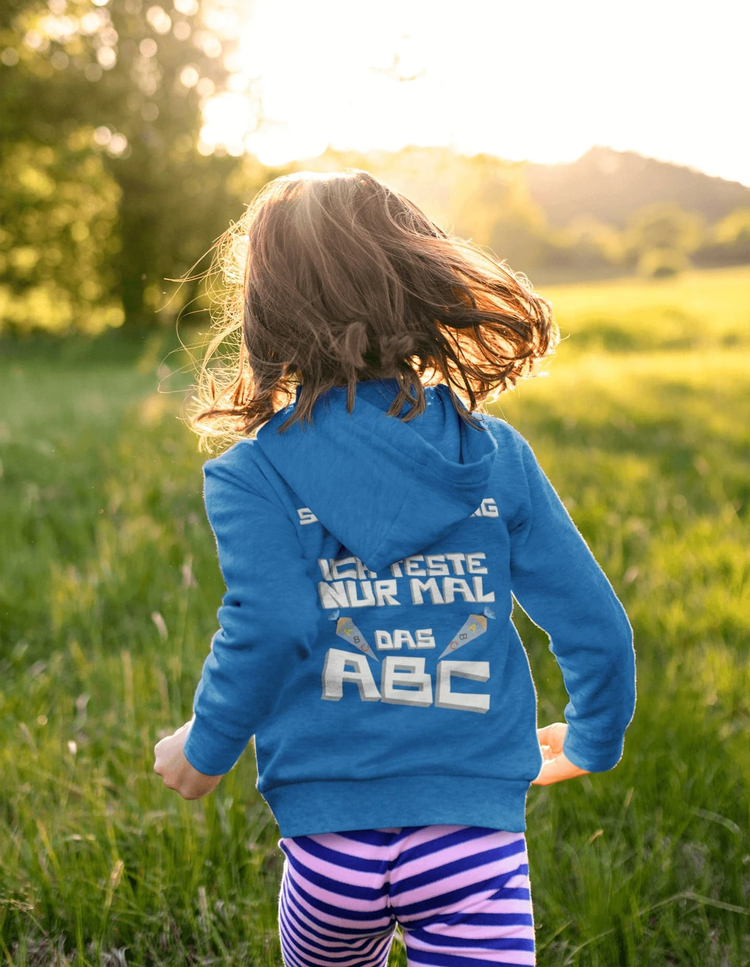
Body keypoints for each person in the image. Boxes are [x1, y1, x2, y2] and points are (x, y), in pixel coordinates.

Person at [153, 169, 637, 966]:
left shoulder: (254, 473)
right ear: (419, 284)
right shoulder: (494, 455)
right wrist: (591, 737)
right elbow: (596, 626)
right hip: (471, 841)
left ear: (265, 312)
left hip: (326, 846)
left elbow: (269, 624)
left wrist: (205, 747)